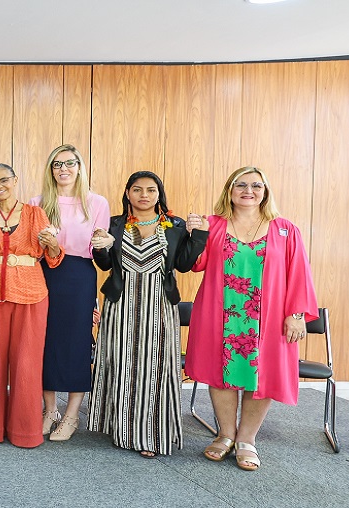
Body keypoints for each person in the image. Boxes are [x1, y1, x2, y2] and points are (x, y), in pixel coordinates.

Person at [186, 166, 317, 471]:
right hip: (221, 313)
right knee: (221, 372)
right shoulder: (214, 224)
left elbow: (298, 275)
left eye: (256, 185)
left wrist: (296, 315)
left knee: (262, 376)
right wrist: (196, 234)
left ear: (265, 191)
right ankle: (225, 434)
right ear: (229, 190)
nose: (248, 190)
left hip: (268, 318)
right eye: (240, 185)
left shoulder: (284, 229)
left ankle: (247, 439)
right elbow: (195, 264)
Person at [88, 172, 208, 457]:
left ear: (159, 194)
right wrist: (101, 248)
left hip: (160, 307)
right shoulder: (114, 225)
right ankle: (121, 428)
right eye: (137, 189)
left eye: (151, 190)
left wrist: (199, 235)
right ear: (127, 193)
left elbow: (183, 263)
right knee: (121, 364)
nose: (144, 195)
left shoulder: (175, 226)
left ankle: (150, 434)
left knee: (155, 369)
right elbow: (104, 265)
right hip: (120, 306)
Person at [0, 163, 63, 448]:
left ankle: (25, 432)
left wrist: (53, 245)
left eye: (3, 180)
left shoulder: (36, 214)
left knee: (27, 364)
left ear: (15, 180)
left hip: (31, 294)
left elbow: (54, 258)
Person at [29, 144, 110, 442]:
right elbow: (30, 248)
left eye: (69, 163)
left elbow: (100, 252)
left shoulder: (96, 203)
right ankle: (49, 410)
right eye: (57, 164)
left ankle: (73, 414)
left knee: (76, 344)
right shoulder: (37, 202)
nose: (63, 169)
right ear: (50, 169)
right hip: (44, 275)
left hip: (79, 277)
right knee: (45, 343)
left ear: (80, 167)